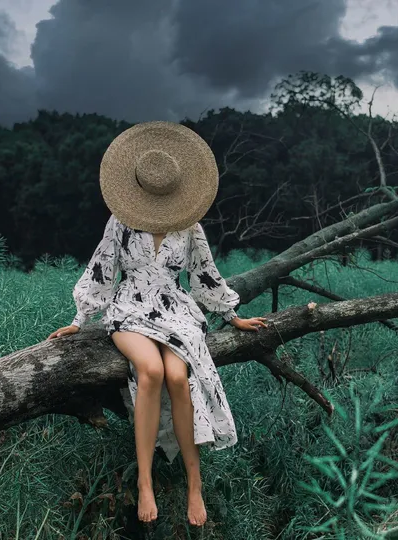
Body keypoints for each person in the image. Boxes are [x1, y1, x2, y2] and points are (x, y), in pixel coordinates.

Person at [46, 121, 268, 526]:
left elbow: (204, 275)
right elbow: (102, 269)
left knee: (178, 377)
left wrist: (232, 316)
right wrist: (80, 319)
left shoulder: (190, 226)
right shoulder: (121, 221)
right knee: (150, 371)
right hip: (130, 308)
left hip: (176, 310)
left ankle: (193, 482)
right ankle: (145, 482)